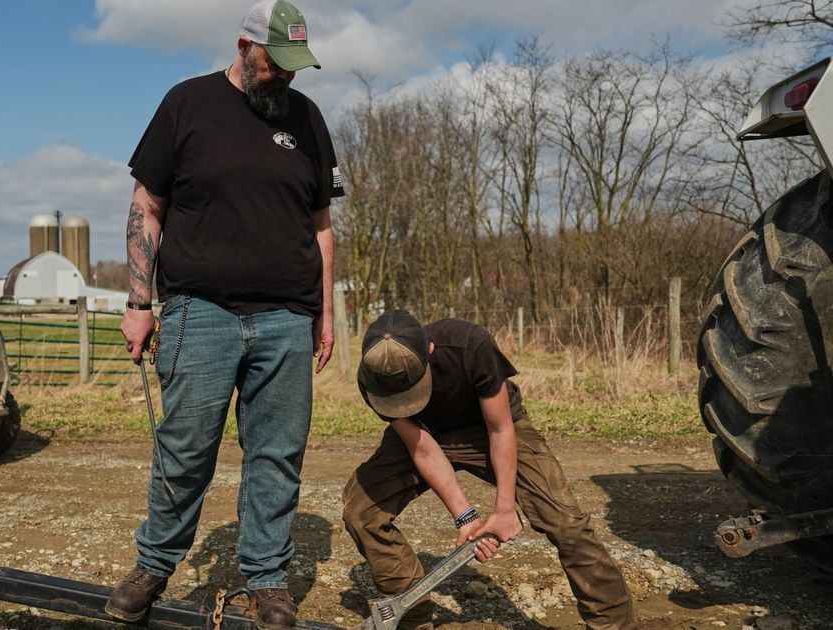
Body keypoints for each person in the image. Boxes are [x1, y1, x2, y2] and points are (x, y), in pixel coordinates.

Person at [107, 1, 343, 629]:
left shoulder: (308, 118)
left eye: (295, 65)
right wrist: (138, 302)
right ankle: (153, 564)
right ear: (244, 46)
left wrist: (324, 312)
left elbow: (321, 224)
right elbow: (146, 206)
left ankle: (267, 581)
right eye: (276, 62)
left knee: (277, 454)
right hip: (199, 311)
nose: (285, 75)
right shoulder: (187, 103)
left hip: (287, 318)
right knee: (184, 449)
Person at [342, 310, 638, 630]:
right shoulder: (373, 377)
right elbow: (422, 448)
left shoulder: (470, 345)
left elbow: (500, 428)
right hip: (425, 434)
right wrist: (465, 516)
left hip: (490, 428)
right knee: (362, 512)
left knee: (563, 520)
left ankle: (614, 624)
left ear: (430, 349)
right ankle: (409, 617)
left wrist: (505, 508)